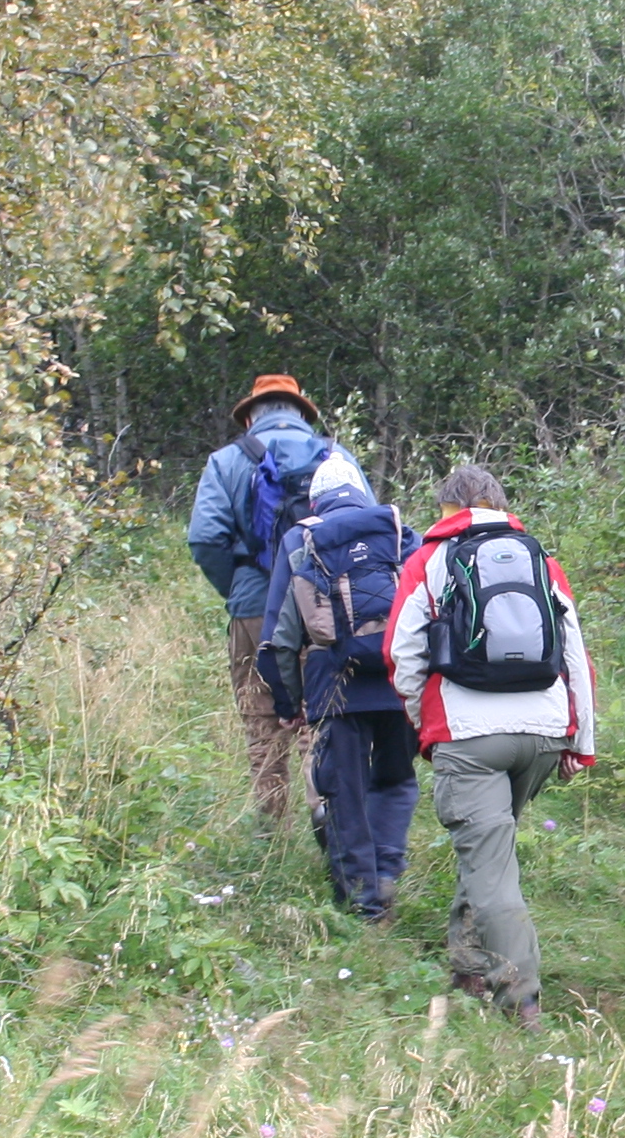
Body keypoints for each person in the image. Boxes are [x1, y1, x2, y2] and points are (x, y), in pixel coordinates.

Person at [388, 462, 598, 1026]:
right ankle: (467, 963)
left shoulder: (429, 559)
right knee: (489, 849)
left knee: (492, 868)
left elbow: (401, 654)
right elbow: (575, 653)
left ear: (446, 509)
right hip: (544, 731)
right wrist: (580, 739)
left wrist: (423, 721)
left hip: (469, 732)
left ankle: (520, 1001)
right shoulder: (539, 559)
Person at [187, 376, 356, 821]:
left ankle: (268, 827)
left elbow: (205, 538)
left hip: (255, 604)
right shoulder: (335, 456)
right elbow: (363, 530)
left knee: (261, 714)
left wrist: (239, 587)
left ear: (250, 416)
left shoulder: (226, 461)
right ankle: (328, 816)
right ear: (302, 413)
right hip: (325, 605)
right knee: (321, 711)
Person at [258, 455, 419, 920]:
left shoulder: (302, 540)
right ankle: (387, 870)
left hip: (335, 688)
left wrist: (288, 702)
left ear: (315, 500)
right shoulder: (400, 534)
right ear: (361, 493)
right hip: (398, 683)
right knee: (395, 781)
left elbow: (281, 638)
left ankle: (365, 903)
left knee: (343, 793)